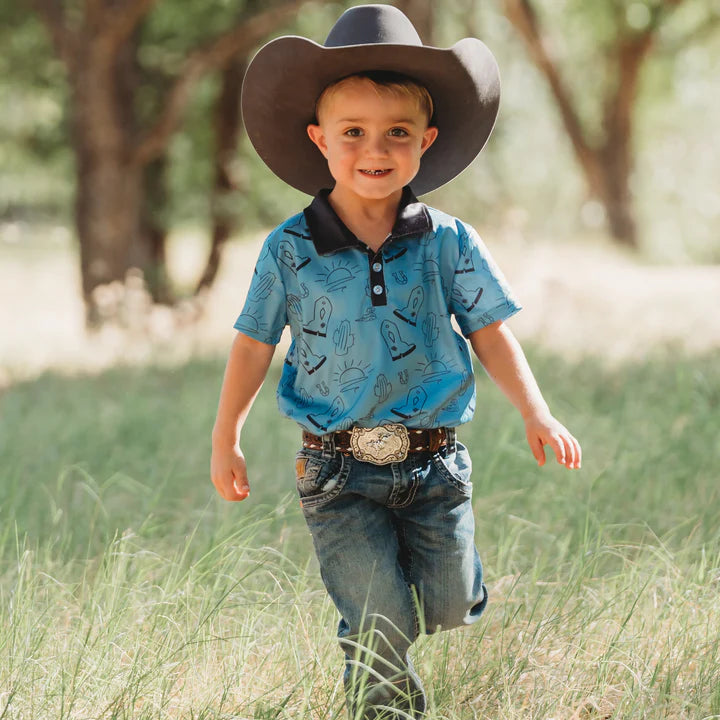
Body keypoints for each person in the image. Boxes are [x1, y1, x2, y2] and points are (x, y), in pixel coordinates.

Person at [211, 5, 581, 718]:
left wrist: (537, 409)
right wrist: (226, 434)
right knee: (378, 621)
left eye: (396, 134)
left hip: (435, 463)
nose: (373, 149)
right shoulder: (289, 248)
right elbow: (254, 343)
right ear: (320, 139)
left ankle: (457, 588)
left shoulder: (448, 241)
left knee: (442, 610)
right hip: (336, 467)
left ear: (425, 142)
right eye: (352, 132)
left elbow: (491, 330)